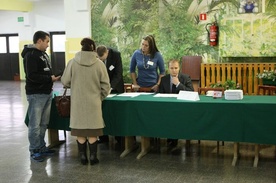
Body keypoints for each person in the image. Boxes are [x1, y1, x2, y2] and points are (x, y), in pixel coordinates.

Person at [61, 38, 110, 165]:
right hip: (94, 103)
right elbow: (106, 85)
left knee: (80, 131)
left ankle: (83, 157)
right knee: (93, 131)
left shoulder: (72, 62)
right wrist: (100, 97)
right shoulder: (99, 64)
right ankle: (93, 157)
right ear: (93, 48)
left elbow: (65, 81)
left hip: (78, 103)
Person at [21, 30, 61, 162]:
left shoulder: (43, 54)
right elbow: (32, 76)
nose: (48, 45)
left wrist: (52, 77)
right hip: (36, 94)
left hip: (46, 92)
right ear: (39, 41)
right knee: (35, 124)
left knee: (44, 123)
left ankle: (41, 147)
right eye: (47, 41)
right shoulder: (31, 55)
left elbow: (44, 71)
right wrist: (50, 78)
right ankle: (34, 150)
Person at [159, 59, 194, 148]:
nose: (174, 70)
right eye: (171, 68)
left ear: (179, 68)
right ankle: (170, 137)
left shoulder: (186, 78)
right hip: (168, 108)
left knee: (176, 116)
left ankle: (174, 137)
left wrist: (178, 84)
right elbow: (160, 94)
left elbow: (191, 92)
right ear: (168, 69)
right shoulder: (164, 79)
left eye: (176, 68)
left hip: (182, 108)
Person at [96, 45, 124, 144]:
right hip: (102, 89)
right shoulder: (96, 57)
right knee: (103, 112)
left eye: (103, 58)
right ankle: (103, 137)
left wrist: (110, 87)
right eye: (100, 59)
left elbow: (118, 73)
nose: (101, 60)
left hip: (115, 87)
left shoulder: (116, 55)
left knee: (116, 112)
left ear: (107, 52)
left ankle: (119, 137)